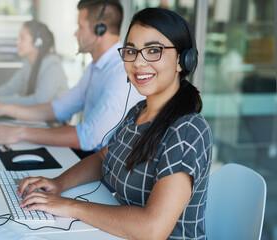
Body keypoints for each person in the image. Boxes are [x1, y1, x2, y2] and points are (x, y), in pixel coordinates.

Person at [16, 7, 213, 240]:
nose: (138, 63)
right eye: (131, 51)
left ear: (182, 60)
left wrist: (70, 206)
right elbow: (103, 158)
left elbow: (152, 229)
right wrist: (58, 184)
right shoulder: (139, 111)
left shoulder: (187, 130)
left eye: (153, 51)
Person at [0, 0, 143, 156]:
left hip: (105, 169)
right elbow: (59, 109)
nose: (76, 33)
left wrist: (20, 132)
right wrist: (4, 109)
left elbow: (89, 137)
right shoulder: (94, 68)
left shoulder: (120, 72)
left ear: (100, 28)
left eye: (80, 27)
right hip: (89, 158)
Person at [0, 20, 68, 105]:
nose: (17, 42)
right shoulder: (29, 64)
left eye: (22, 38)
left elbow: (38, 101)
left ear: (37, 42)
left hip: (54, 123)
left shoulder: (52, 66)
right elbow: (10, 87)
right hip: (38, 119)